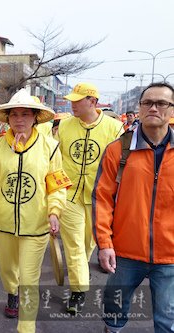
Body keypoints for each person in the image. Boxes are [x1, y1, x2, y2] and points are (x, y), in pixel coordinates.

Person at [0, 89, 69, 333]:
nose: (19, 119)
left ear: (35, 117)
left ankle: (26, 328)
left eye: (25, 114)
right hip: (1, 224)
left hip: (35, 226)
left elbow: (57, 186)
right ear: (7, 118)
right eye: (14, 114)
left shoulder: (50, 147)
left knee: (29, 281)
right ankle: (10, 292)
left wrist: (54, 212)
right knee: (8, 271)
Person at [93, 82, 174, 333]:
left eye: (161, 103)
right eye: (147, 102)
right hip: (125, 250)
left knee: (167, 316)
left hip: (170, 254)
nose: (153, 108)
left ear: (172, 110)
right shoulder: (119, 150)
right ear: (139, 108)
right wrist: (104, 243)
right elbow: (102, 198)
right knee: (114, 306)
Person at [57, 82, 124, 314]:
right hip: (69, 194)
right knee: (74, 245)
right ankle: (78, 291)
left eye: (78, 100)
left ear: (93, 102)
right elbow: (55, 160)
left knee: (88, 244)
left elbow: (122, 164)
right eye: (72, 100)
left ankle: (79, 274)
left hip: (100, 197)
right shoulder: (64, 126)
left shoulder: (115, 128)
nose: (72, 104)